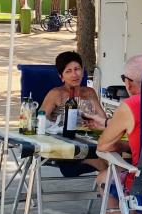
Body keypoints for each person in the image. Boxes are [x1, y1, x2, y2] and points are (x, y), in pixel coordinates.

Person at [81, 54, 142, 214]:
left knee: (105, 178)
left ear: (129, 83)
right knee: (132, 183)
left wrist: (112, 132)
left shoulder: (132, 105)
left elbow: (103, 146)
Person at [41, 51, 109, 181]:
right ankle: (116, 191)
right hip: (66, 147)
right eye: (69, 71)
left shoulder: (89, 92)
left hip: (90, 142)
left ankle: (112, 187)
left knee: (117, 157)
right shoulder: (56, 94)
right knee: (106, 164)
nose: (74, 74)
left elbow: (103, 118)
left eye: (77, 69)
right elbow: (39, 119)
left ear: (82, 71)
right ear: (61, 76)